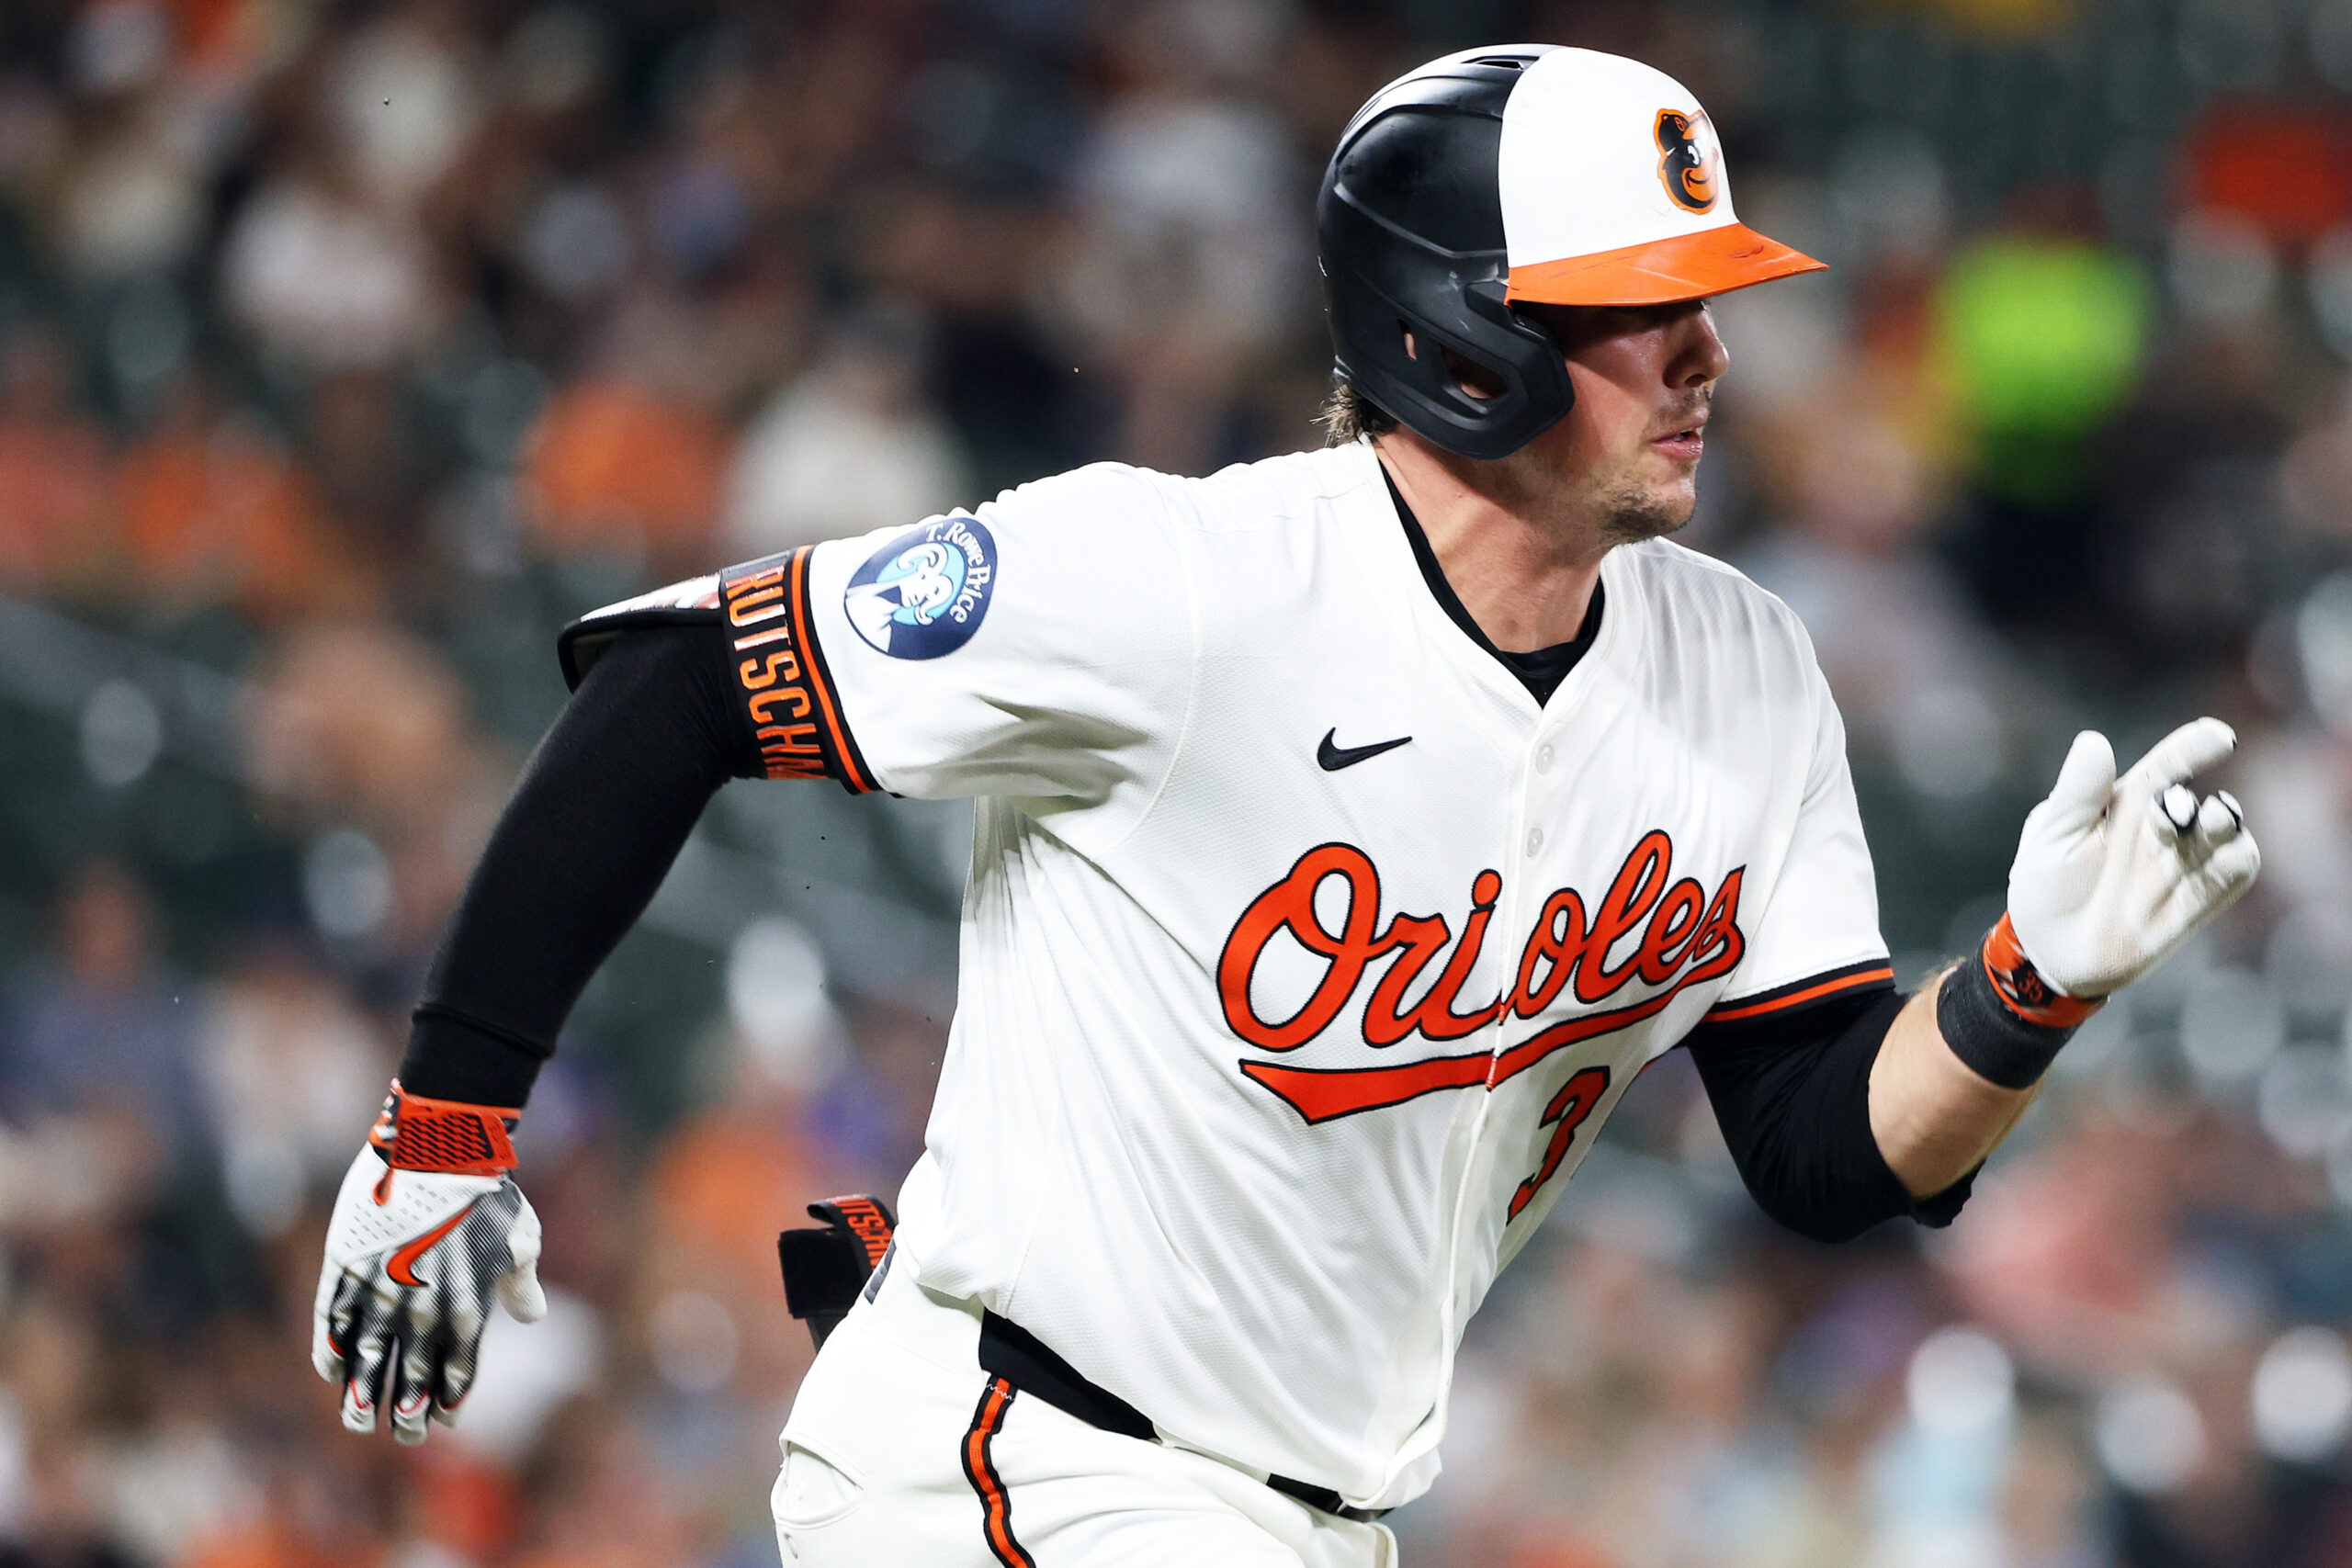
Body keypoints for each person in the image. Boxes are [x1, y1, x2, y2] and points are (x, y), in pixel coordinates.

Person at [311, 47, 2260, 1567]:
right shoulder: (1183, 583)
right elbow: (671, 685)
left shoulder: (1737, 671)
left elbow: (1821, 1145)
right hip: (1015, 1460)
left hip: (1307, 1513)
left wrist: (2023, 984)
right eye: (1639, 304)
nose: (1707, 352)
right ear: (1462, 334)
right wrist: (442, 1128)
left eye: (1705, 295)